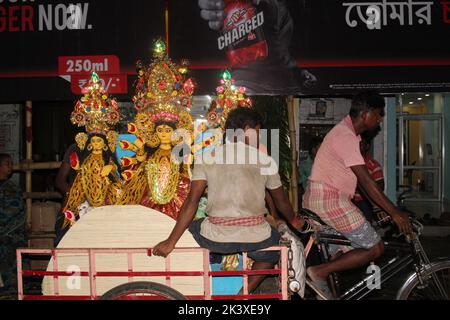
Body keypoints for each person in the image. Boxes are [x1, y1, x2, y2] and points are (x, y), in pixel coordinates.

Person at [153, 107, 306, 294]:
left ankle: (197, 287)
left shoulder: (205, 158)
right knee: (275, 248)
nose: (258, 137)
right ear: (247, 129)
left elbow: (191, 203)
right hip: (255, 237)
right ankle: (242, 293)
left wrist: (171, 241)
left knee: (194, 227)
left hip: (215, 238)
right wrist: (294, 220)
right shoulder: (264, 160)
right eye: (257, 132)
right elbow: (281, 201)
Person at [302, 91, 412, 298]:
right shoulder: (346, 135)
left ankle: (325, 289)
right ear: (365, 113)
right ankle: (318, 272)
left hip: (323, 200)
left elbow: (359, 181)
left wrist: (379, 207)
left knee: (343, 254)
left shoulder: (350, 135)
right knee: (375, 247)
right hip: (329, 201)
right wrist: (394, 211)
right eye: (378, 114)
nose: (379, 120)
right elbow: (365, 180)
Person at [114, 41, 194, 220]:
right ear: (154, 131)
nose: (164, 133)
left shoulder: (181, 151)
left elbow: (186, 173)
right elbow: (137, 172)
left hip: (176, 199)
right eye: (161, 130)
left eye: (167, 129)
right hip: (150, 200)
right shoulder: (149, 151)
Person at [54, 73, 121, 245]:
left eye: (100, 139)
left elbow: (117, 178)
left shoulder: (110, 150)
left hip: (105, 207)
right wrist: (76, 197)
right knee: (67, 243)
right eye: (94, 139)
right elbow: (60, 180)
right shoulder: (76, 148)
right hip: (76, 206)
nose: (97, 142)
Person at [197, 0, 317, 94]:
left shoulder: (284, 10)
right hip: (247, 84)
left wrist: (300, 73)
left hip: (285, 86)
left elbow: (283, 51)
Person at [0, 153, 26, 295]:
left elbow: (13, 212)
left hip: (11, 237)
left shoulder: (12, 188)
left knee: (13, 272)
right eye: (7, 163)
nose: (11, 167)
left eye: (11, 163)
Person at [353, 126, 387, 223]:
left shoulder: (373, 164)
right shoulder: (350, 162)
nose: (358, 147)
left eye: (361, 144)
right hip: (350, 200)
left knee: (365, 225)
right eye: (356, 144)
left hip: (365, 201)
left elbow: (380, 185)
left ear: (367, 146)